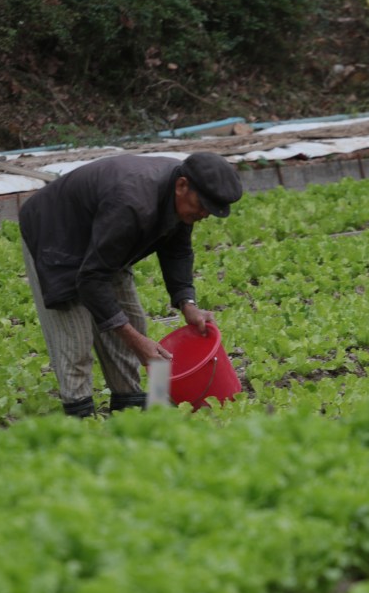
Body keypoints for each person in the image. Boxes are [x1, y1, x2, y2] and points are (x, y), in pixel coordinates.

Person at [19, 151, 243, 416]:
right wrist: (134, 340)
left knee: (134, 324)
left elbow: (177, 250)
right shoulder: (132, 202)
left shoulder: (180, 195)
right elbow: (91, 280)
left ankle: (129, 405)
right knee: (75, 342)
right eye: (203, 205)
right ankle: (79, 418)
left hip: (105, 241)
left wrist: (187, 303)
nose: (205, 214)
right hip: (56, 237)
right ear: (182, 185)